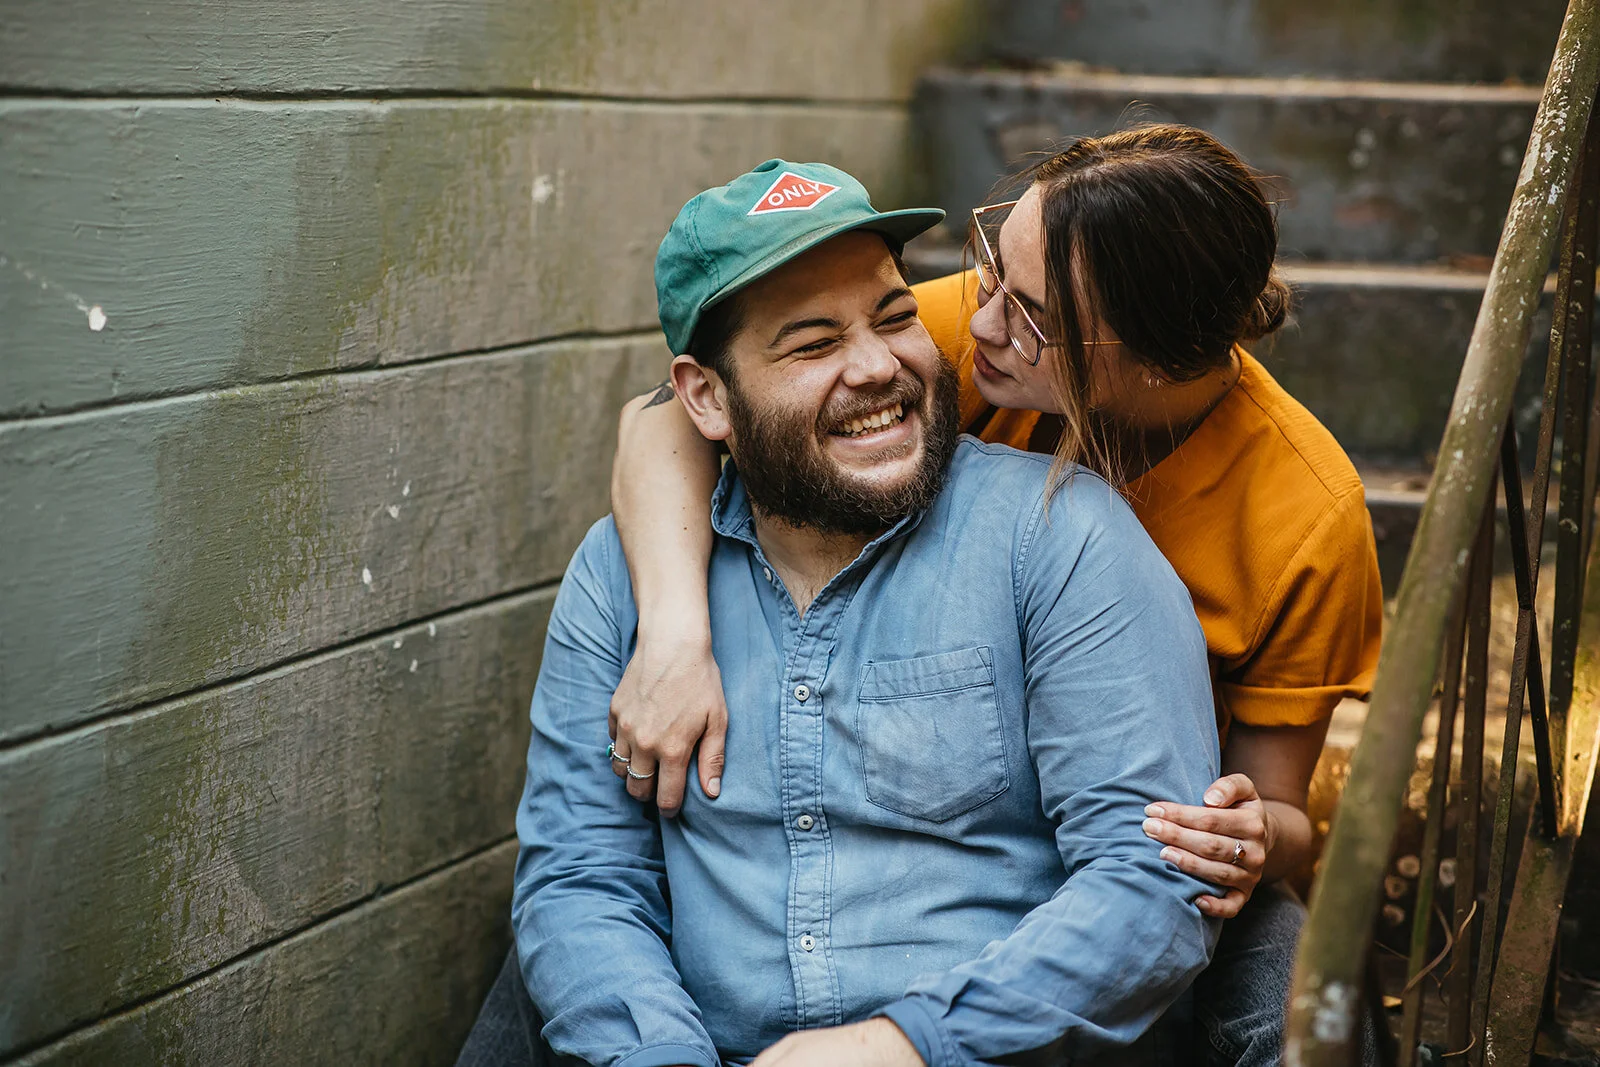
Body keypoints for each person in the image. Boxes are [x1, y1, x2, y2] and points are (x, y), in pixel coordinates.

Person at [606, 127, 1385, 1067]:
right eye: (989, 271)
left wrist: (1253, 831)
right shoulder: (962, 340)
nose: (979, 327)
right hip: (944, 790)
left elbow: (1285, 807)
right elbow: (668, 420)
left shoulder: (1306, 511)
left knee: (1296, 1009)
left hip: (1146, 838)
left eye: (1033, 320)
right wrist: (675, 637)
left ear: (1156, 360)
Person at [456, 158, 1223, 1067]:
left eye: (896, 316)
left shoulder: (1060, 538)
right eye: (813, 344)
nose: (876, 365)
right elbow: (582, 879)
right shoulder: (620, 578)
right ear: (706, 396)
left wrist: (908, 1043)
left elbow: (1150, 882)